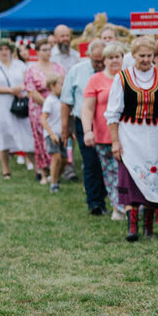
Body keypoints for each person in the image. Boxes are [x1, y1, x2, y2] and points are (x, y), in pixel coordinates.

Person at [104, 36, 158, 241]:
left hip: (157, 136)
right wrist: (115, 141)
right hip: (130, 135)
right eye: (141, 56)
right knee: (130, 177)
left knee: (152, 177)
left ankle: (148, 223)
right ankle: (132, 225)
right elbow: (112, 113)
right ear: (133, 56)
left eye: (149, 56)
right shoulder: (122, 77)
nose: (146, 59)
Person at [61, 40, 107, 215]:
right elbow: (66, 102)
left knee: (107, 163)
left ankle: (109, 196)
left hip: (107, 123)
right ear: (88, 57)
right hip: (84, 123)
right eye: (96, 61)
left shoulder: (113, 71)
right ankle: (94, 202)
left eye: (103, 60)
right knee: (91, 162)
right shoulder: (76, 71)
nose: (100, 64)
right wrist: (65, 128)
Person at [83, 42, 126, 220]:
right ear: (104, 60)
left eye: (117, 56)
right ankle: (117, 207)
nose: (114, 61)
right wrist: (87, 131)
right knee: (111, 173)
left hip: (128, 134)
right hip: (104, 135)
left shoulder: (128, 77)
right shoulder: (96, 80)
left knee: (126, 173)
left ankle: (130, 205)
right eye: (110, 57)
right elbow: (87, 108)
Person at [0, 39, 35, 179]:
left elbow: (28, 81)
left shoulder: (20, 65)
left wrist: (19, 89)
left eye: (6, 49)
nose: (3, 52)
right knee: (3, 135)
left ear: (11, 51)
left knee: (26, 133)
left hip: (19, 103)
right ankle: (5, 169)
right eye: (0, 50)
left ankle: (35, 167)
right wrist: (10, 90)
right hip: (0, 105)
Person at [25, 37, 66, 184]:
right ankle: (43, 171)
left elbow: (64, 85)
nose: (48, 52)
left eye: (49, 49)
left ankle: (56, 172)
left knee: (58, 137)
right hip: (39, 108)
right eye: (44, 50)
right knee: (41, 139)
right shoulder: (32, 69)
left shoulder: (58, 67)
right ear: (37, 52)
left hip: (59, 108)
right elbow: (31, 91)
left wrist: (56, 105)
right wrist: (48, 103)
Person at [40, 74, 65, 193]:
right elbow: (43, 119)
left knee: (64, 160)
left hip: (62, 134)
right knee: (57, 158)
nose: (63, 87)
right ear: (53, 86)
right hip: (52, 134)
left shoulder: (62, 100)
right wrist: (51, 134)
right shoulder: (49, 101)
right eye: (61, 84)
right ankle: (54, 184)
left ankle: (54, 177)